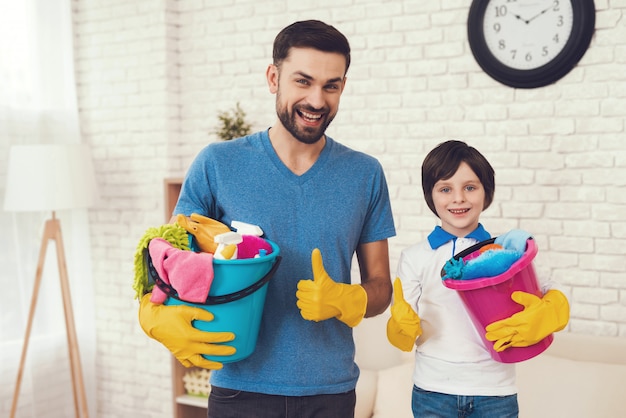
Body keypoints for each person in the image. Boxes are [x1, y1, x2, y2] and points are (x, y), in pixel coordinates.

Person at [138, 20, 396, 418]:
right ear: (273, 77)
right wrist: (150, 313)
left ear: (343, 86)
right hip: (240, 391)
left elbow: (381, 289)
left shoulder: (365, 174)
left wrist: (352, 297)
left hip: (331, 393)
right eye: (303, 81)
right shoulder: (217, 164)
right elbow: (166, 260)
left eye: (331, 85)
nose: (316, 100)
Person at [386, 140, 569, 417]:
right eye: (445, 189)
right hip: (433, 391)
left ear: (487, 192)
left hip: (495, 391)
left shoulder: (506, 252)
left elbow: (550, 285)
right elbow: (403, 328)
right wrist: (400, 326)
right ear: (430, 196)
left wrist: (552, 308)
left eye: (470, 187)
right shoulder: (415, 256)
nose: (458, 198)